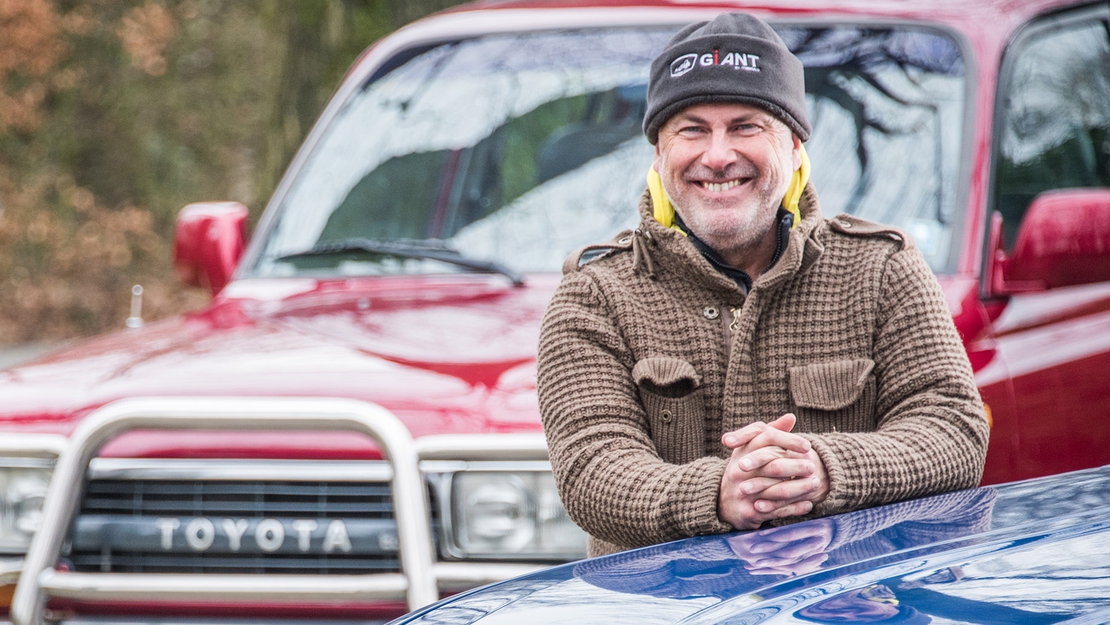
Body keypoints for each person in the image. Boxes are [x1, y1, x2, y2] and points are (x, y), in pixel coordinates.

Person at [536, 11, 989, 557]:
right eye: (692, 129)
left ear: (795, 145)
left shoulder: (882, 269)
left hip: (851, 608)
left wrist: (823, 468)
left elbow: (954, 431)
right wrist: (719, 494)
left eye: (746, 125)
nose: (718, 155)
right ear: (659, 153)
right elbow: (593, 473)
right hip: (666, 611)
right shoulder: (593, 296)